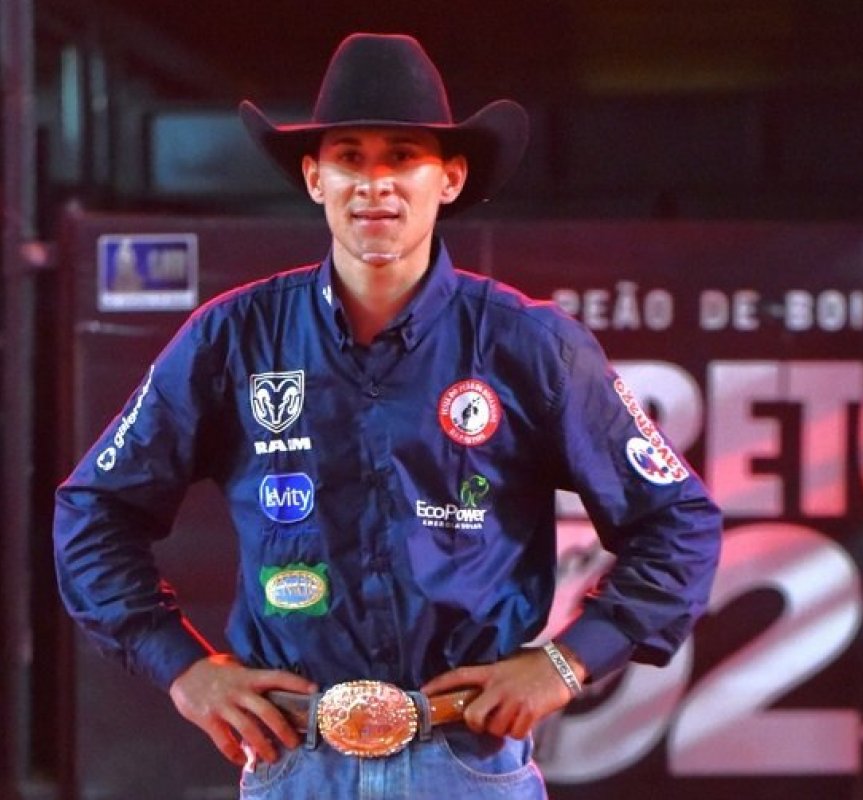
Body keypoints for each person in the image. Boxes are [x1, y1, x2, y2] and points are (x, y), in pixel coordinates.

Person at [53, 32, 722, 799]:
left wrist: (569, 661)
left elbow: (679, 522)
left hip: (469, 762)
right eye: (350, 157)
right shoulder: (231, 337)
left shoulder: (528, 344)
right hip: (293, 762)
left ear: (450, 177)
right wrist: (181, 667)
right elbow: (93, 510)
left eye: (403, 156)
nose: (376, 183)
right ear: (314, 177)